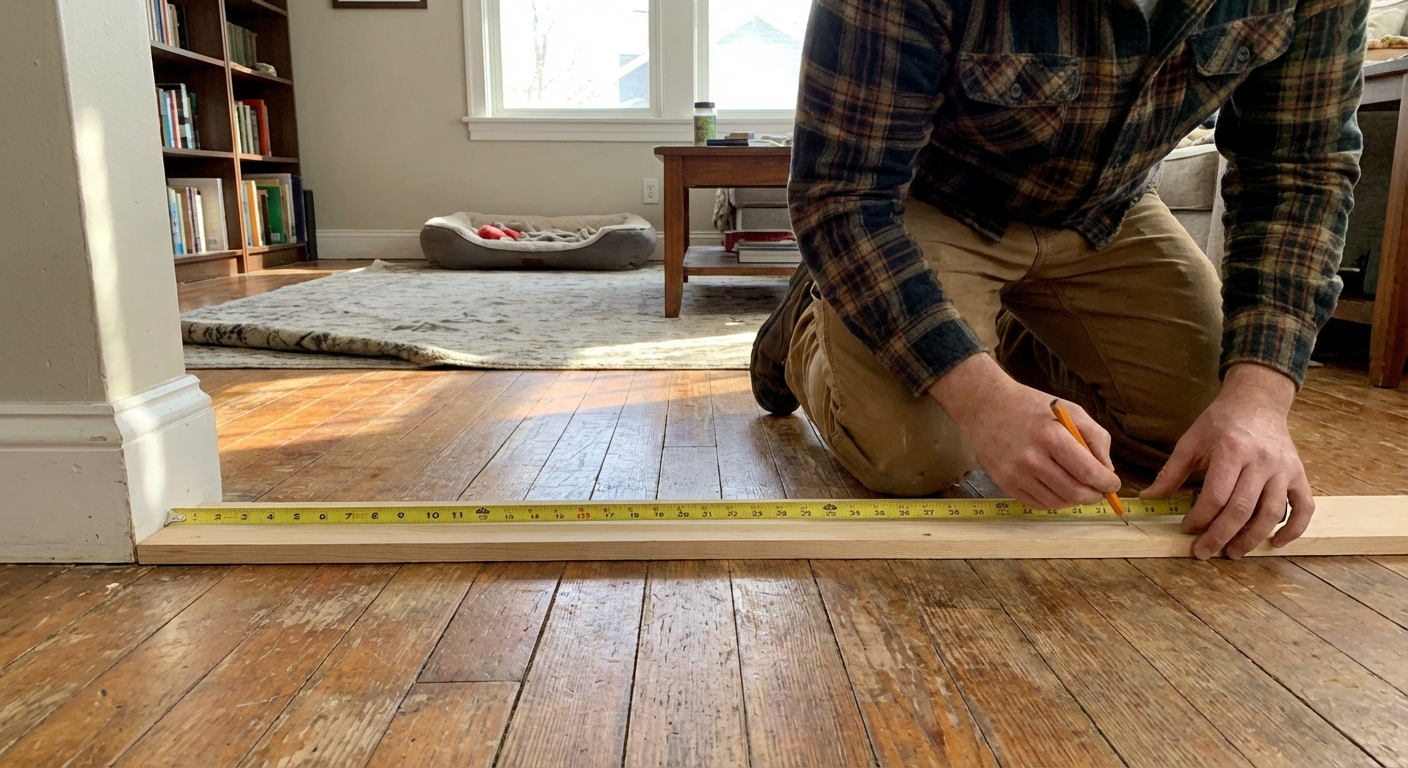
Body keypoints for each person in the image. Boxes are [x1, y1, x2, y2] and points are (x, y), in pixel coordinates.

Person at [751, 0, 1367, 559]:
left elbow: (1300, 173)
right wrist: (983, 399)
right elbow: (842, 195)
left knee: (1210, 446)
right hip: (928, 203)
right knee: (917, 458)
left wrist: (1259, 401)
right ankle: (815, 314)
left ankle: (990, 333)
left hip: (1107, 212)